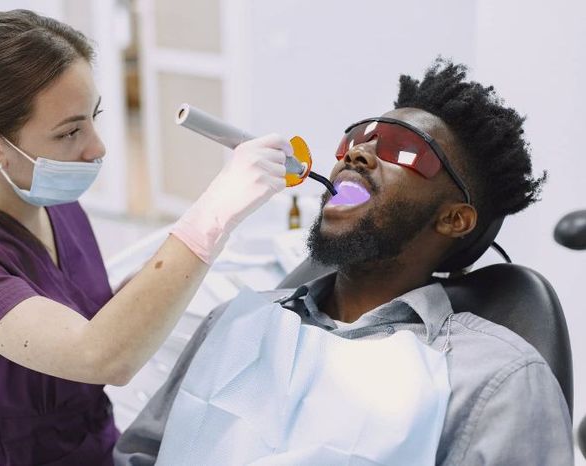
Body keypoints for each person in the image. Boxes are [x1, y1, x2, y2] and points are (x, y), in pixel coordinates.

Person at [113, 58, 573, 465]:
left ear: (454, 218)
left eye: (402, 150)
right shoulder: (232, 323)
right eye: (358, 137)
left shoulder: (496, 380)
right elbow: (140, 455)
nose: (357, 152)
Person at [0, 9, 292, 465]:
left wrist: (176, 278)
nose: (97, 147)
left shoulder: (57, 207)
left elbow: (92, 315)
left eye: (92, 117)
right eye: (70, 131)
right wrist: (211, 215)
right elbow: (101, 355)